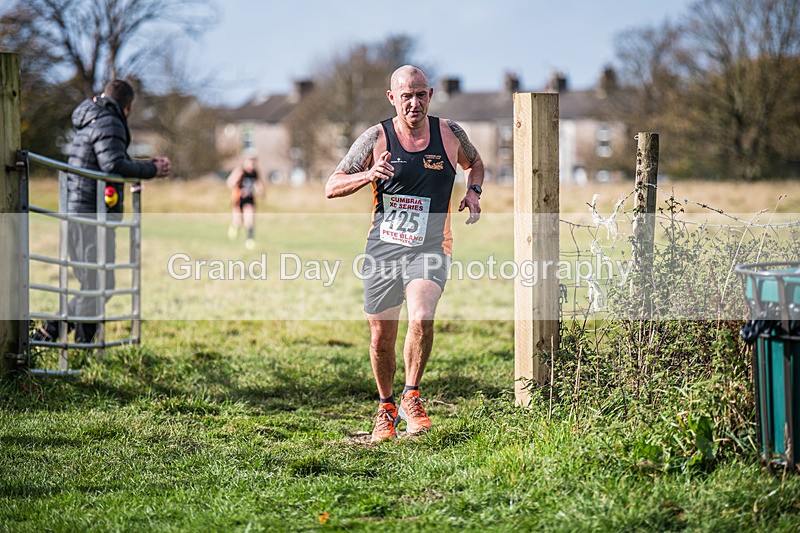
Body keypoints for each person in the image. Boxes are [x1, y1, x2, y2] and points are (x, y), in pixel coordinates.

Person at [325, 65, 484, 443]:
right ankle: (386, 407)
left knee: (422, 316)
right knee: (381, 337)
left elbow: (475, 163)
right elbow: (332, 185)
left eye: (421, 95)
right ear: (392, 98)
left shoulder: (450, 133)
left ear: (430, 95)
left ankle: (412, 395)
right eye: (406, 96)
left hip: (431, 246)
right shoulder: (375, 137)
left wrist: (473, 191)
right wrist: (368, 175)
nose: (414, 103)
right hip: (384, 250)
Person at [36, 79, 170, 344]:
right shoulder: (110, 122)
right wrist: (152, 170)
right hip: (90, 213)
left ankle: (80, 344)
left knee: (96, 283)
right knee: (99, 284)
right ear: (129, 106)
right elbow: (112, 164)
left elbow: (109, 159)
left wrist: (143, 167)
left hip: (82, 210)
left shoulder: (94, 118)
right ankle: (52, 332)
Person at [226, 154, 265, 250]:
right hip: (238, 199)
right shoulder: (240, 171)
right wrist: (235, 181)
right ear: (245, 161)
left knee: (250, 221)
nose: (252, 163)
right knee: (238, 221)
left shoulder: (255, 173)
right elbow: (229, 183)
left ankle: (249, 241)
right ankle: (234, 227)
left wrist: (261, 192)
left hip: (249, 199)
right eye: (250, 161)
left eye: (254, 161)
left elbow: (258, 184)